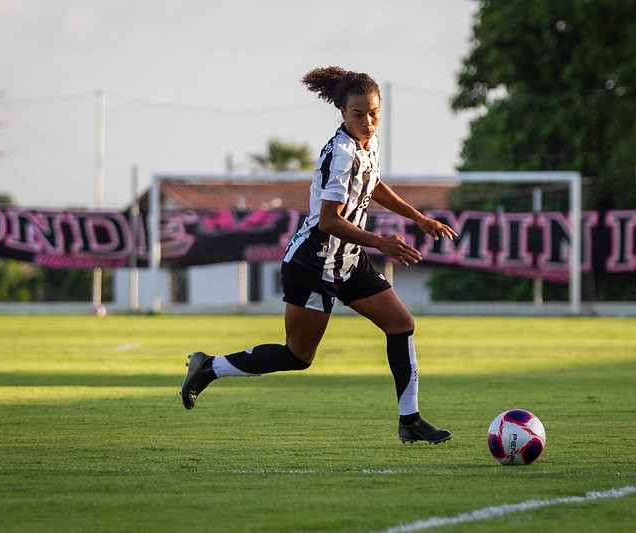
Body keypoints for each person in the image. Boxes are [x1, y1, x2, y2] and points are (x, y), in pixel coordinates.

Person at [181, 66, 457, 444]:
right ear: (342, 112)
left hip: (348, 260)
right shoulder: (341, 154)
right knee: (297, 356)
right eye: (358, 114)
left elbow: (372, 184)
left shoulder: (368, 143)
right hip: (313, 263)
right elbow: (328, 220)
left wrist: (418, 217)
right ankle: (209, 367)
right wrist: (380, 241)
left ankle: (410, 420)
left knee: (401, 324)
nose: (368, 120)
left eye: (374, 112)